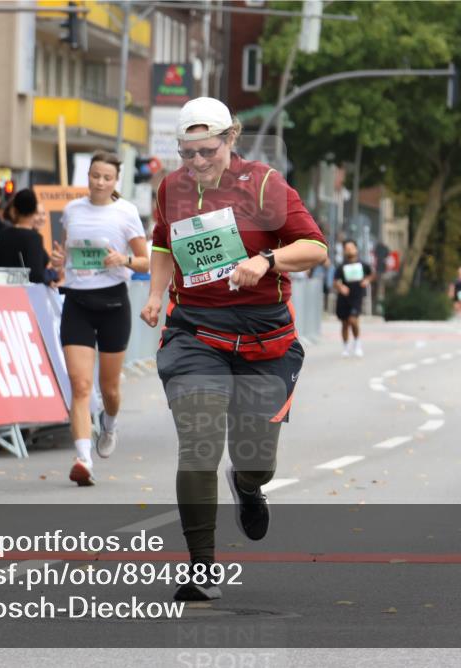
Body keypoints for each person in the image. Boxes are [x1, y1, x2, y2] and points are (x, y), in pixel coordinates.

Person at [140, 97, 327, 601]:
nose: (197, 163)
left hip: (265, 339)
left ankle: (247, 485)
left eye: (207, 151)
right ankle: (202, 570)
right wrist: (157, 293)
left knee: (255, 460)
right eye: (187, 153)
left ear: (230, 140)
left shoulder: (264, 183)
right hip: (195, 334)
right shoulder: (171, 189)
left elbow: (315, 248)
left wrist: (267, 259)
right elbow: (162, 243)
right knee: (198, 445)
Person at [48, 150, 149, 487]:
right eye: (95, 176)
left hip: (113, 305)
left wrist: (124, 259)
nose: (100, 182)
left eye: (107, 177)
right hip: (77, 301)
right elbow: (65, 253)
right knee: (79, 385)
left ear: (115, 180)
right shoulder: (73, 210)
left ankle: (110, 422)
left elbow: (145, 261)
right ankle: (83, 458)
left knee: (109, 387)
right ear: (87, 176)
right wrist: (59, 259)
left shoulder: (126, 213)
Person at [0, 188, 51, 285]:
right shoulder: (34, 238)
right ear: (34, 210)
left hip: (2, 290)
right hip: (24, 295)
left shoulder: (1, 235)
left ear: (15, 209)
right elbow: (36, 275)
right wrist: (53, 274)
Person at [334, 239, 374, 357]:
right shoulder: (342, 266)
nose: (349, 250)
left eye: (351, 247)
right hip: (344, 297)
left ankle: (357, 343)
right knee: (345, 323)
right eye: (347, 248)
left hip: (357, 296)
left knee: (353, 320)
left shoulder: (363, 264)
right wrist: (341, 287)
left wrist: (367, 280)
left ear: (356, 249)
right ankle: (346, 347)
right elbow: (336, 282)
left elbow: (372, 274)